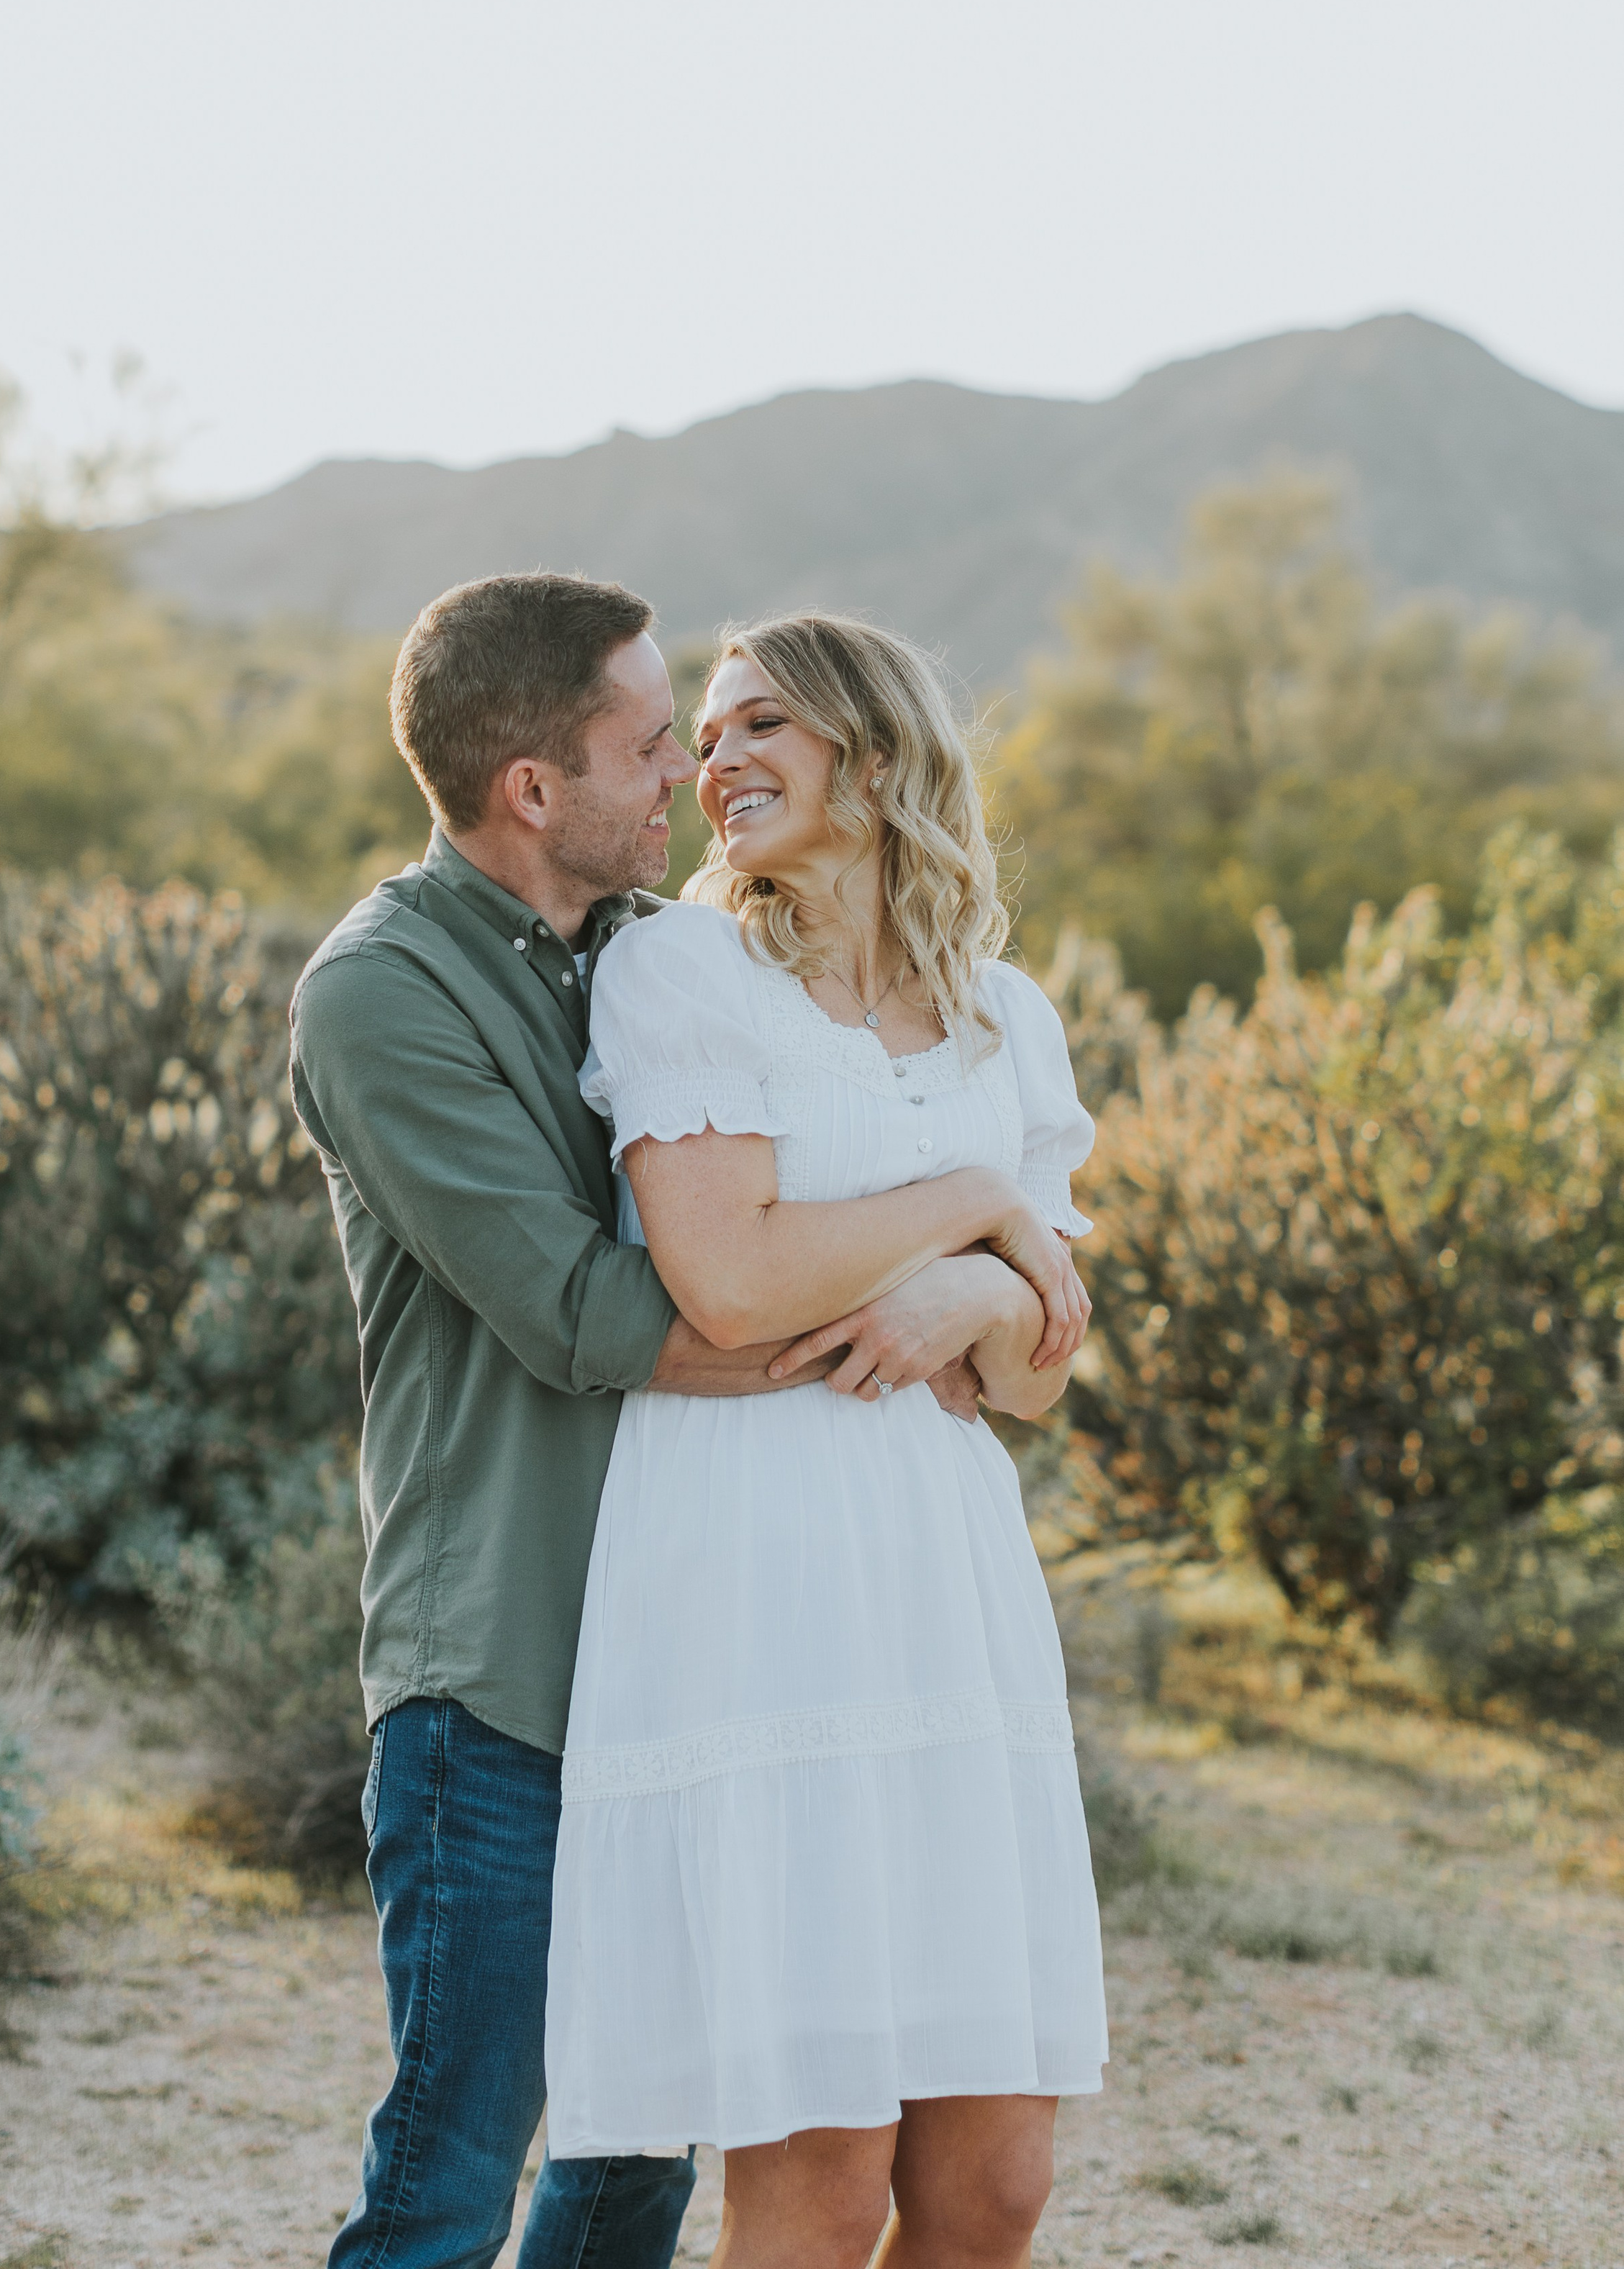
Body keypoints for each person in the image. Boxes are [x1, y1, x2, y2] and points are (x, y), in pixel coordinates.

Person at [289, 574, 1063, 2269]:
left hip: (707, 1639)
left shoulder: (665, 952)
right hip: (498, 1659)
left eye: (709, 736)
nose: (685, 779)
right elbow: (606, 1310)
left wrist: (995, 1300)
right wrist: (947, 1261)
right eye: (656, 746)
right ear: (530, 790)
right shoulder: (382, 993)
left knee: (631, 2165)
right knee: (451, 2177)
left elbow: (990, 1299)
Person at [545, 612, 1108, 2269]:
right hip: (757, 1578)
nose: (713, 760)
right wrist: (974, 1211)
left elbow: (1037, 1373)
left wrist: (969, 1311)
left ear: (875, 752)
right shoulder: (680, 970)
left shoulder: (1007, 1015)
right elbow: (725, 1283)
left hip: (947, 1586)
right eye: (702, 736)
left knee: (993, 2178)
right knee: (819, 2173)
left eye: (758, 724)